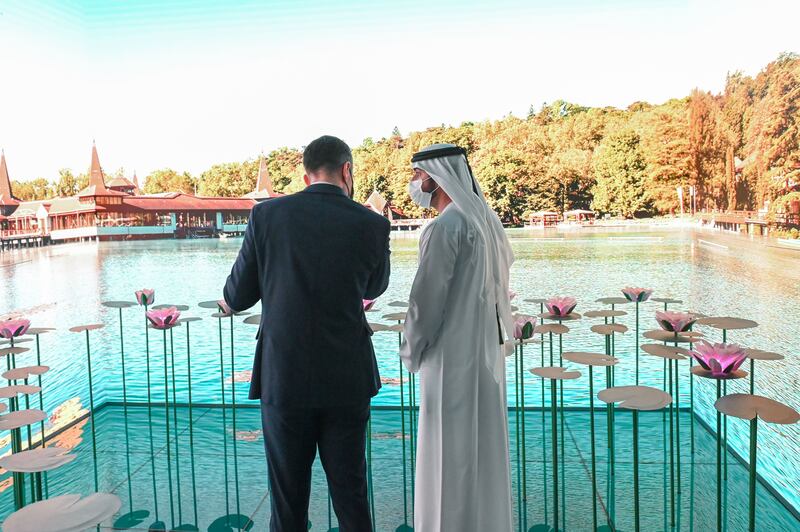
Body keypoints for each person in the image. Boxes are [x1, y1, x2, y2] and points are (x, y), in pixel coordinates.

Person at [223, 135, 391, 532]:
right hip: (347, 377)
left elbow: (237, 295)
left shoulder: (267, 216)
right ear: (347, 170)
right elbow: (374, 288)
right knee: (351, 495)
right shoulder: (372, 223)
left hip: (284, 377)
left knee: (288, 501)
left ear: (304, 175)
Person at [400, 143, 514, 531]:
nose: (414, 184)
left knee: (446, 456)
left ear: (434, 176)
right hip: (485, 357)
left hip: (449, 359)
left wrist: (410, 351)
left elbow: (425, 302)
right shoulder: (486, 220)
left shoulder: (446, 225)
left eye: (417, 175)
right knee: (482, 456)